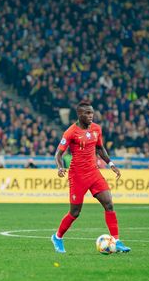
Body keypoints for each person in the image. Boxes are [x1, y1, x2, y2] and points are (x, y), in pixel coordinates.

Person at [51, 100, 131, 253]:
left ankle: (117, 240)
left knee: (109, 203)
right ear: (80, 114)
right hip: (77, 176)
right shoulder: (70, 132)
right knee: (75, 212)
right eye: (87, 113)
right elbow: (58, 153)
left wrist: (111, 164)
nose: (91, 116)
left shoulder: (96, 129)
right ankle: (57, 237)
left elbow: (100, 148)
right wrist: (60, 167)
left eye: (92, 113)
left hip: (94, 173)